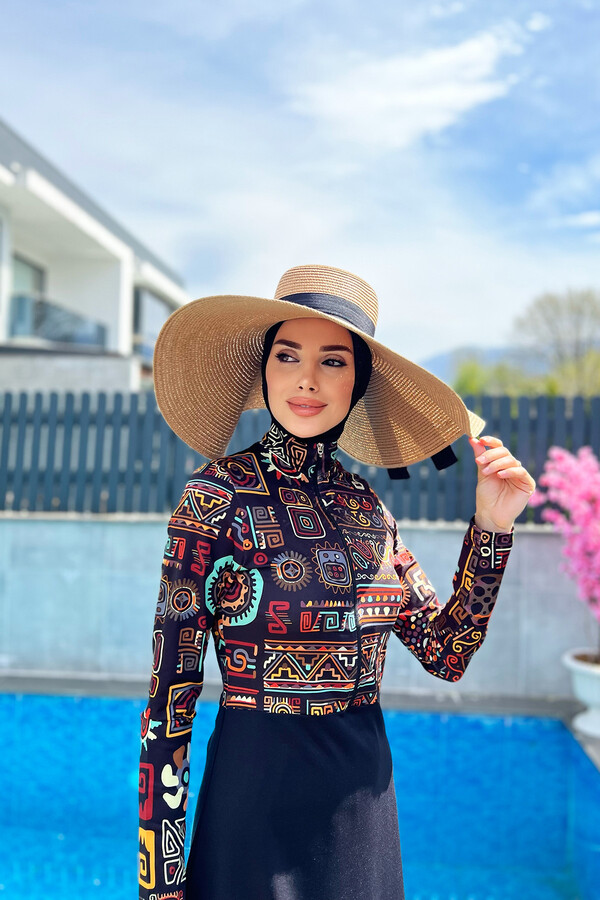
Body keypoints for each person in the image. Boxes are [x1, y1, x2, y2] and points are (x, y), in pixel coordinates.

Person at [138, 264, 536, 900]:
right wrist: (159, 883)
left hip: (363, 814)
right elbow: (169, 702)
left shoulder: (370, 513)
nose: (307, 378)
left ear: (359, 383)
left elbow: (447, 653)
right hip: (252, 807)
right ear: (264, 370)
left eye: (333, 361)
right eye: (288, 355)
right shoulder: (214, 499)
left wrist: (492, 527)